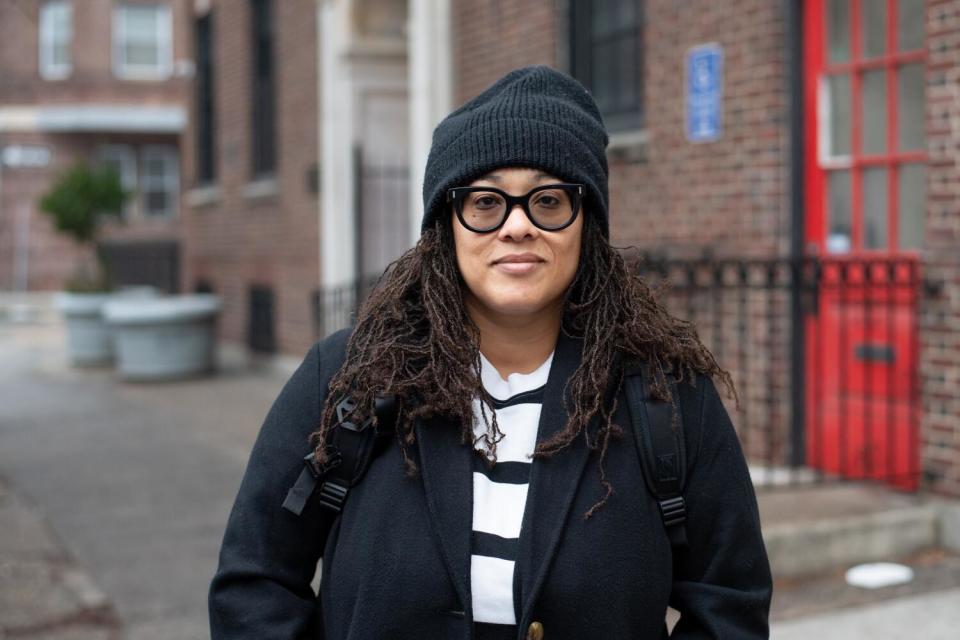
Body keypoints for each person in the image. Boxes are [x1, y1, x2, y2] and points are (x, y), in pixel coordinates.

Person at [209, 65, 772, 640]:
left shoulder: (667, 395)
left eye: (549, 200)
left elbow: (729, 604)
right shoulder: (347, 378)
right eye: (485, 202)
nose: (518, 225)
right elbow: (256, 584)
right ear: (445, 225)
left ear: (588, 224)